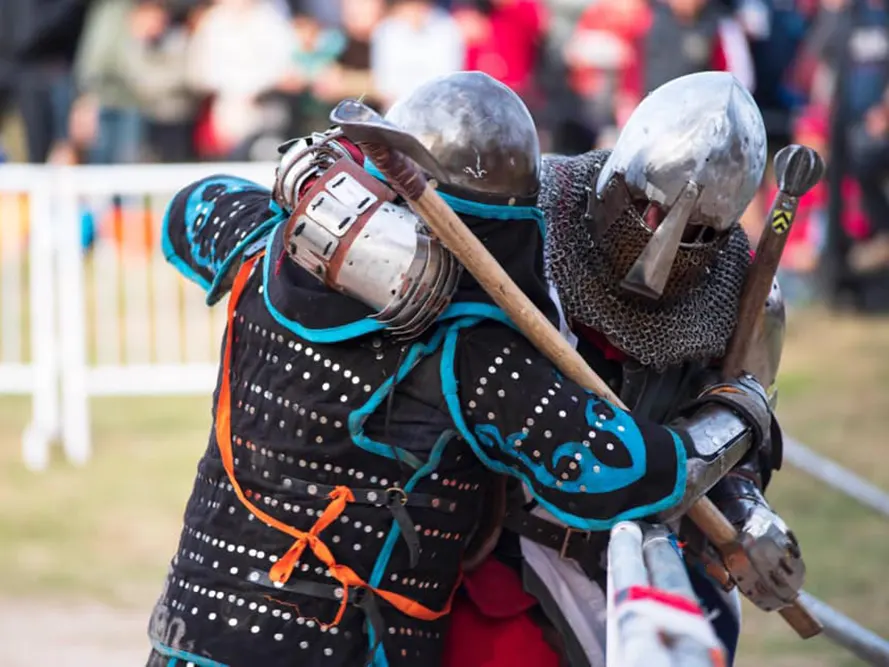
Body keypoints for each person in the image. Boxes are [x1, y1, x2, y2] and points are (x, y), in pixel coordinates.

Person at [147, 71, 790, 667]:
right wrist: (742, 412)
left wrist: (309, 192)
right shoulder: (476, 353)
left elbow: (190, 211)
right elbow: (635, 471)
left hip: (188, 637)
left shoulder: (259, 247)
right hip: (347, 649)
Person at [459, 70, 799, 666]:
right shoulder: (526, 224)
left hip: (655, 548)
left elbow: (744, 428)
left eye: (695, 234)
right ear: (618, 179)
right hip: (507, 554)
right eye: (649, 212)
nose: (660, 252)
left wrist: (747, 516)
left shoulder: (743, 293)